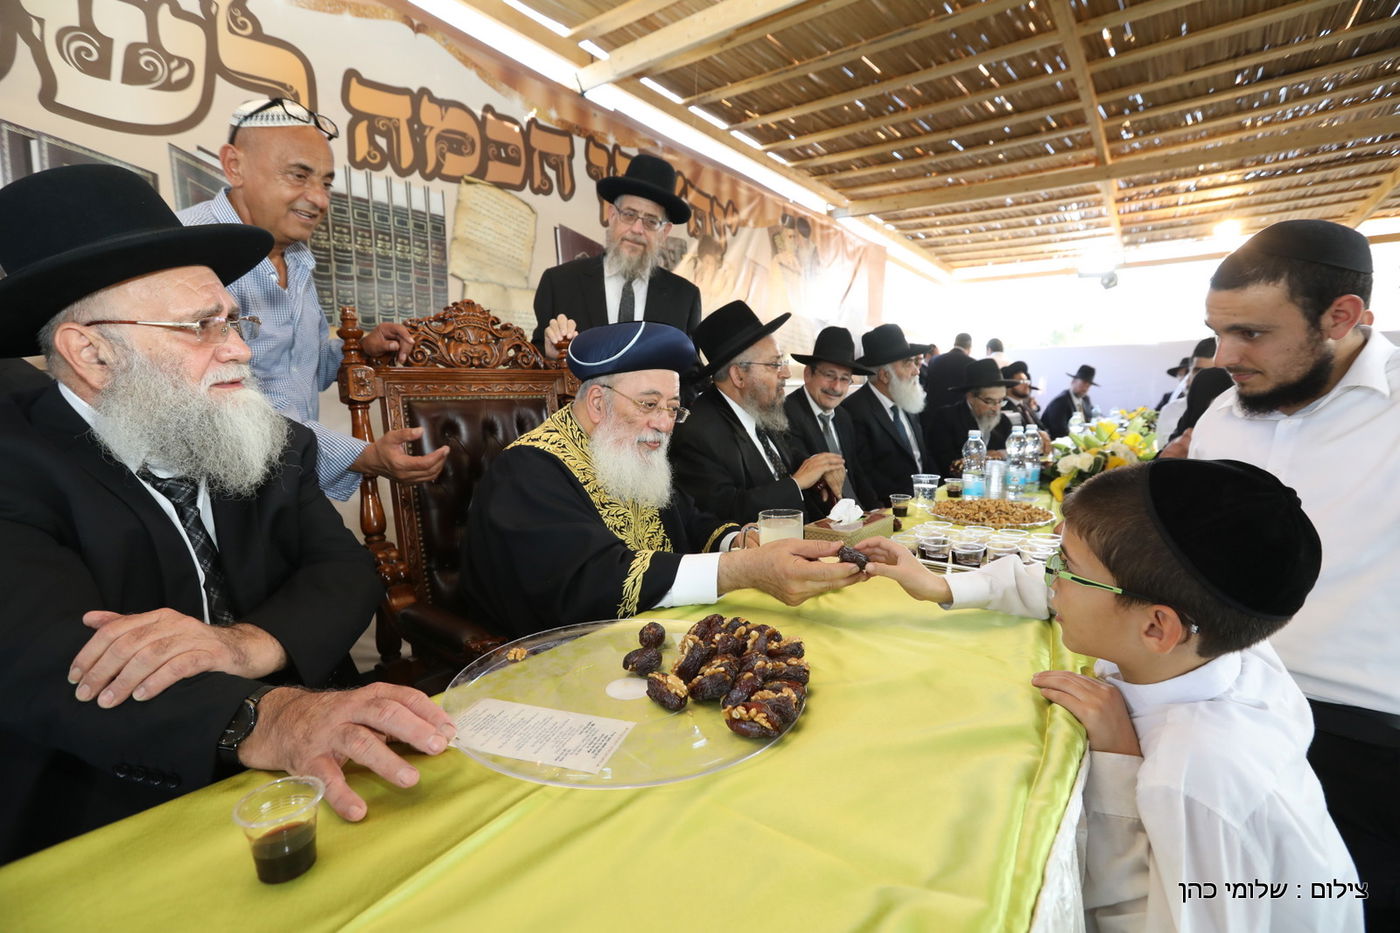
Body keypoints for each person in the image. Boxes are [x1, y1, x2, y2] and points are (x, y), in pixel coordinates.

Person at [0, 165, 456, 863]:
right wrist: (265, 712)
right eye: (200, 327)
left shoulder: (254, 430)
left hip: (307, 776)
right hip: (115, 811)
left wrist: (246, 645)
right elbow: (54, 663)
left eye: (232, 320)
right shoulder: (15, 462)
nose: (238, 349)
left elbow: (344, 569)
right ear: (89, 352)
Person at [858, 459, 1359, 932]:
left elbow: (1143, 918)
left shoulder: (1194, 778)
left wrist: (1119, 761)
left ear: (1157, 628)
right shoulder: (1216, 643)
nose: (1049, 574)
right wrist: (943, 585)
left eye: (1065, 563)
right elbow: (1090, 591)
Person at [1189, 218, 1399, 927]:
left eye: (1251, 333)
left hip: (1366, 741)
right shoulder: (1224, 415)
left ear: (1341, 317)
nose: (1224, 356)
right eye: (1217, 331)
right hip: (1227, 711)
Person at [458, 321, 862, 638]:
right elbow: (592, 582)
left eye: (673, 409)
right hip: (558, 661)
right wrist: (739, 569)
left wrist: (736, 541)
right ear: (598, 402)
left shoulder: (628, 449)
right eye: (650, 405)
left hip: (653, 635)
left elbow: (689, 518)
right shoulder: (528, 471)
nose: (664, 425)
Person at [178, 98, 447, 500]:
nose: (319, 200)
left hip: (288, 483)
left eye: (325, 183)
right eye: (299, 176)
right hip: (215, 495)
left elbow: (297, 370)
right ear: (235, 165)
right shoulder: (189, 250)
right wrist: (364, 456)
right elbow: (228, 400)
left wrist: (359, 350)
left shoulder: (296, 257)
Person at [669, 301, 845, 524]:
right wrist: (796, 483)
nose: (787, 373)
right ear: (738, 376)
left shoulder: (760, 408)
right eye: (775, 364)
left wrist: (820, 469)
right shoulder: (698, 433)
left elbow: (787, 459)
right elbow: (725, 511)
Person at [532, 154, 702, 359]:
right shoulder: (559, 283)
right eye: (629, 215)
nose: (637, 229)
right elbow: (534, 358)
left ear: (664, 232)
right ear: (612, 215)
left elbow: (691, 377)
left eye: (651, 222)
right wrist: (550, 355)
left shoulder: (684, 298)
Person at [782, 325, 876, 508]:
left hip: (856, 515)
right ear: (808, 373)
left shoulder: (843, 416)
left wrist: (876, 510)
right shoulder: (786, 414)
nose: (836, 387)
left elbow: (855, 473)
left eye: (844, 379)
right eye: (829, 375)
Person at [841, 323, 931, 505]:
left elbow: (921, 457)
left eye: (915, 362)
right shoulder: (854, 411)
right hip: (891, 512)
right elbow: (865, 476)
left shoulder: (906, 399)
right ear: (884, 375)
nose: (916, 370)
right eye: (908, 364)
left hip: (923, 504)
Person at [920, 358, 1015, 476]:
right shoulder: (946, 418)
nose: (996, 408)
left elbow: (1012, 459)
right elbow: (944, 464)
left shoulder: (1004, 422)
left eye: (1000, 401)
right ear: (970, 397)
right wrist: (985, 458)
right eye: (989, 401)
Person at [1157, 337, 1216, 436]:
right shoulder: (1171, 411)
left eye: (1213, 374)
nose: (1203, 379)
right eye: (1198, 371)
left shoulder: (1242, 415)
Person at [1042, 364, 1098, 439]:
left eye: (1088, 386)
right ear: (1073, 382)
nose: (1085, 389)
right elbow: (1060, 431)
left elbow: (1090, 420)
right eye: (1083, 384)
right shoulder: (1060, 401)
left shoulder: (1085, 399)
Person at [921, 331, 972, 407]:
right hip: (957, 415)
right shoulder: (972, 364)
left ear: (955, 343)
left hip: (932, 412)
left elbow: (927, 388)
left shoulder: (934, 360)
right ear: (970, 347)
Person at [1000, 360, 1044, 431]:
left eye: (1027, 381)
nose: (1027, 384)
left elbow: (1041, 427)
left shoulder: (1025, 406)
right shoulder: (1003, 408)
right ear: (1009, 385)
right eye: (1021, 381)